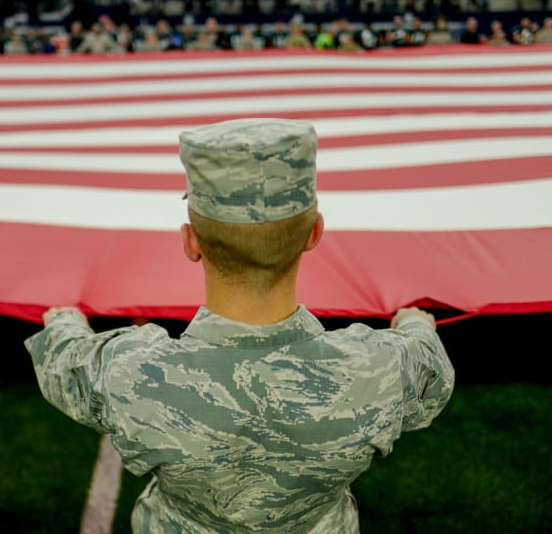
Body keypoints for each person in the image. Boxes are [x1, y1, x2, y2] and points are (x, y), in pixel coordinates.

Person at [25, 118, 455, 533]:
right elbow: (430, 368)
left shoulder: (129, 371)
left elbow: (63, 362)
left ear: (190, 241)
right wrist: (415, 322)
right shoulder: (382, 367)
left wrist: (64, 321)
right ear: (314, 233)